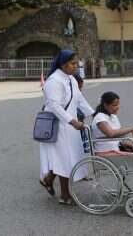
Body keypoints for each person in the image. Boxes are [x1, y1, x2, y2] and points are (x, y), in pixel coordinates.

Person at [39, 50, 95, 205]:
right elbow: (54, 106)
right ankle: (64, 195)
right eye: (72, 63)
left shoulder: (71, 79)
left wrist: (94, 114)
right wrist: (72, 121)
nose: (75, 66)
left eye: (76, 63)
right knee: (64, 159)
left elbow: (79, 99)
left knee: (68, 157)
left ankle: (48, 179)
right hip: (58, 125)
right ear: (63, 64)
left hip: (70, 125)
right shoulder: (53, 81)